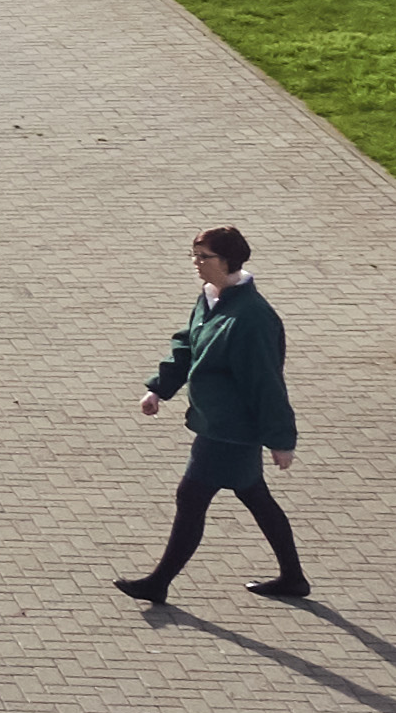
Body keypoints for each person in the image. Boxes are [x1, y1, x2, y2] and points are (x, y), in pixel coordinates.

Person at [121, 226, 308, 606]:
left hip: (231, 429)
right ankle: (293, 577)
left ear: (227, 261)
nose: (196, 264)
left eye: (203, 257)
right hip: (215, 421)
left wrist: (281, 440)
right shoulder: (211, 299)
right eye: (195, 255)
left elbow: (266, 384)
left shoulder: (252, 318)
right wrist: (159, 389)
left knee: (191, 496)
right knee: (254, 496)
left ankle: (158, 582)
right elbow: (186, 347)